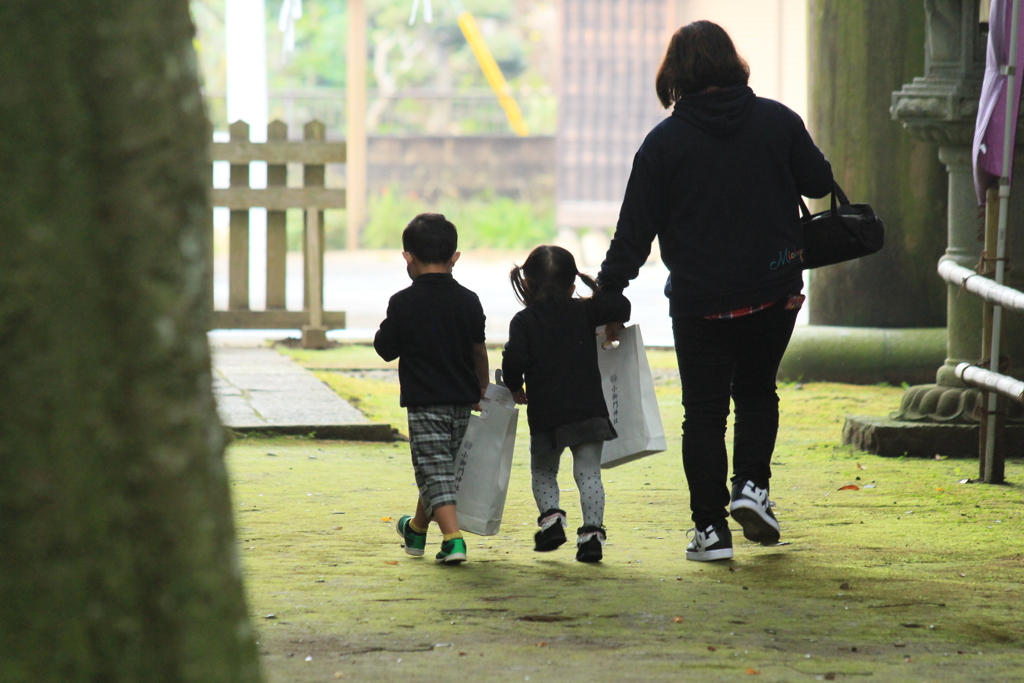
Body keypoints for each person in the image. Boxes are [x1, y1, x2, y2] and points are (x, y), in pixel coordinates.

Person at [596, 21, 834, 561]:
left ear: (675, 73)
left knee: (703, 413)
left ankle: (710, 531)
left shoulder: (663, 144)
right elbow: (819, 183)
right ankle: (751, 489)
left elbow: (632, 234)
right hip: (774, 292)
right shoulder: (777, 120)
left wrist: (608, 294)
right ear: (732, 62)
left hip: (701, 303)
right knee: (756, 391)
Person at [502, 245, 630, 562]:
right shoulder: (586, 311)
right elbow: (620, 305)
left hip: (546, 413)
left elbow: (513, 359)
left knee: (544, 471)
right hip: (588, 410)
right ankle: (591, 537)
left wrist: (515, 386)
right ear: (573, 285)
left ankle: (552, 520)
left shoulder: (523, 321)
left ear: (527, 284)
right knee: (588, 474)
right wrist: (597, 291)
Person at [374, 213, 489, 565]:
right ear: (454, 258)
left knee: (435, 468)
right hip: (462, 402)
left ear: (408, 257)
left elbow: (385, 348)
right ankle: (416, 529)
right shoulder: (469, 300)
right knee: (440, 467)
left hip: (425, 403)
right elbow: (479, 352)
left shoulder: (403, 302)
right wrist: (480, 392)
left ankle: (453, 539)